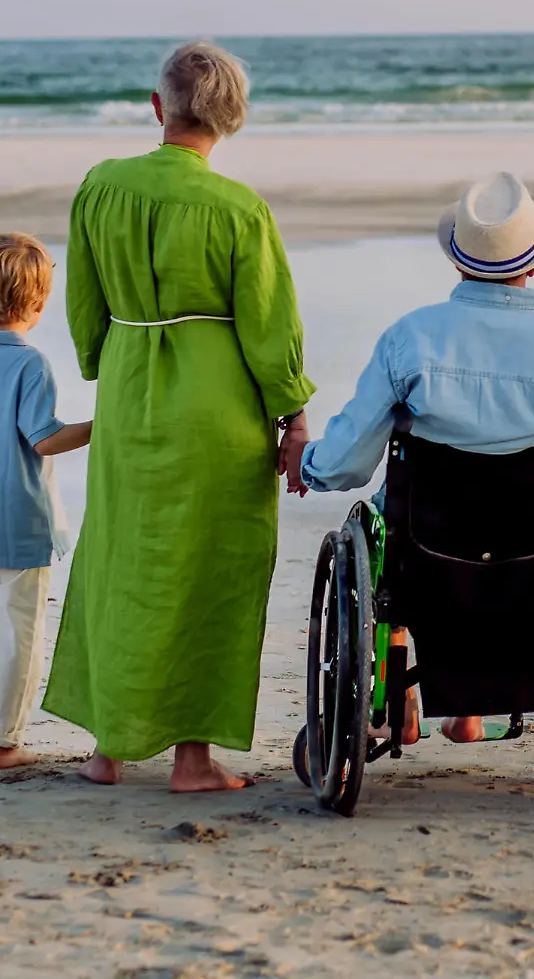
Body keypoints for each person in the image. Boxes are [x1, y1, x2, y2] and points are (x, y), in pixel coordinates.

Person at [43, 42, 313, 792]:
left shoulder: (101, 187)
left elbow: (85, 308)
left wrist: (110, 362)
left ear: (158, 108)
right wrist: (291, 416)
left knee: (122, 562)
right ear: (232, 121)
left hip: (130, 390)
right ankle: (191, 761)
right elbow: (269, 329)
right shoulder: (238, 208)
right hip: (217, 407)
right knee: (210, 573)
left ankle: (109, 749)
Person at [296, 171, 534, 744]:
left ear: (457, 261)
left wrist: (308, 463)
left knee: (381, 530)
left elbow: (346, 463)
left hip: (427, 552)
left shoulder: (411, 338)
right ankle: (473, 711)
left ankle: (401, 697)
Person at [0, 235, 91, 770]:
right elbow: (43, 437)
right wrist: (102, 428)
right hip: (17, 521)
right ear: (36, 304)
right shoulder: (30, 364)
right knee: (20, 634)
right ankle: (7, 741)